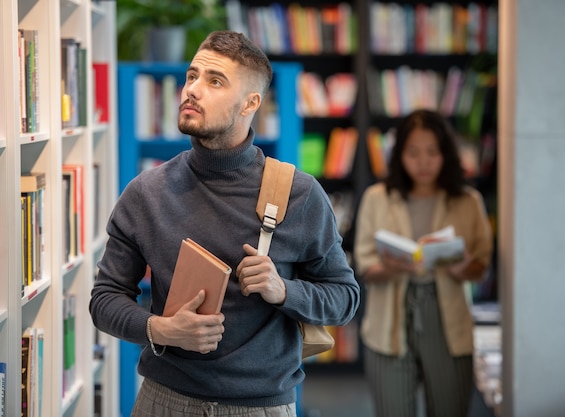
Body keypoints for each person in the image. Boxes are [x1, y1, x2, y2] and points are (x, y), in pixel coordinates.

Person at [90, 30, 360, 417]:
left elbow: (345, 299)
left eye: (214, 81)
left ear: (251, 103)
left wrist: (283, 290)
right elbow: (105, 298)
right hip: (162, 400)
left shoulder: (299, 194)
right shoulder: (146, 192)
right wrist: (160, 329)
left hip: (262, 406)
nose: (193, 90)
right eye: (192, 76)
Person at [353, 109, 493, 417]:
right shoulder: (377, 197)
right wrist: (393, 266)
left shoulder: (468, 201)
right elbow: (365, 267)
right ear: (399, 155)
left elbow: (481, 267)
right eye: (413, 152)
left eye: (432, 152)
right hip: (388, 318)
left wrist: (461, 267)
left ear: (446, 154)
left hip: (447, 319)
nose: (423, 162)